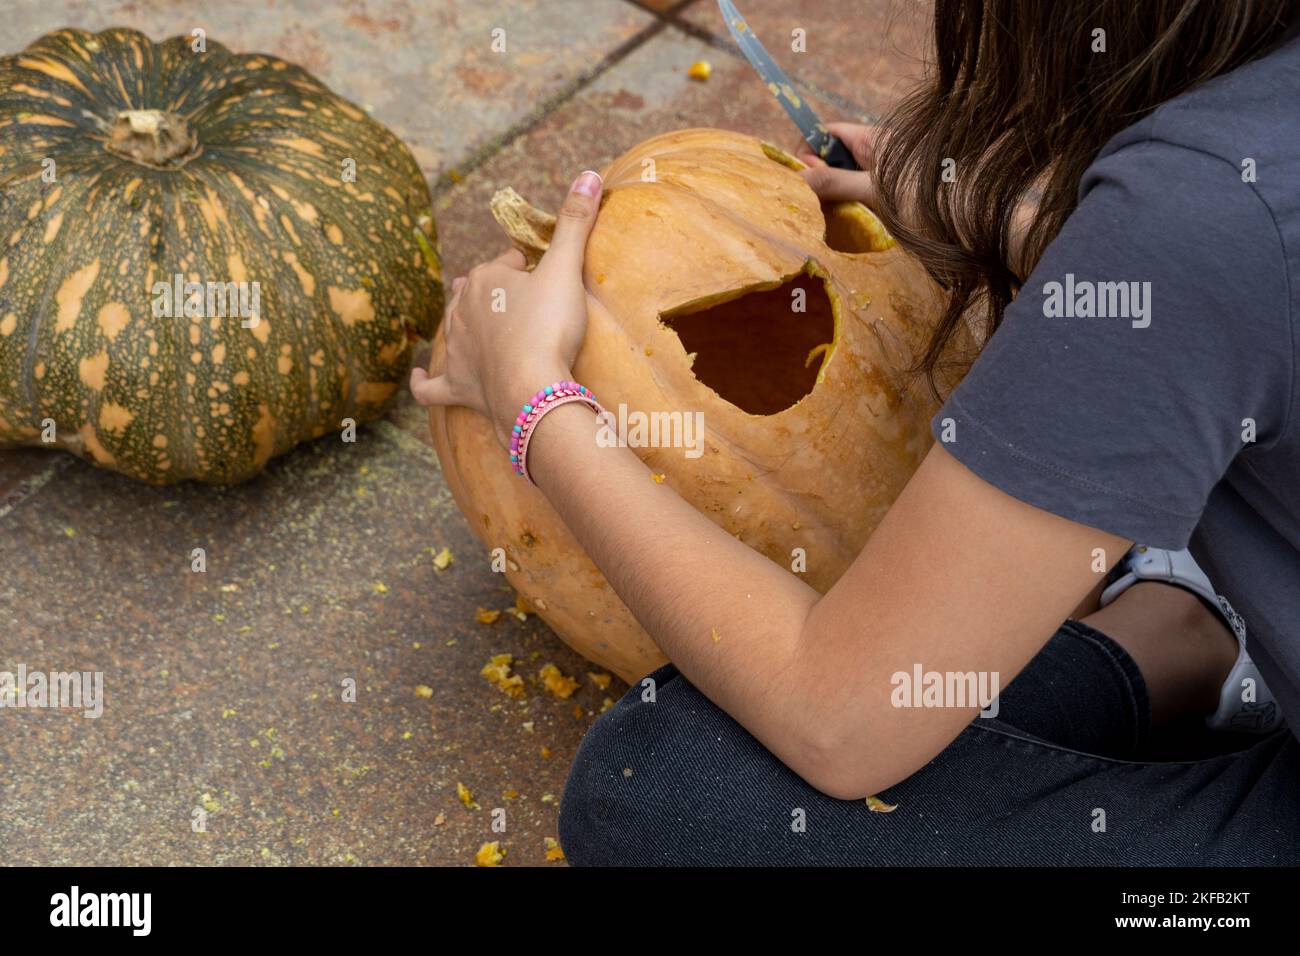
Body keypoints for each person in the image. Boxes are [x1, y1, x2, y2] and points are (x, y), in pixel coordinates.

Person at [411, 0, 1300, 865]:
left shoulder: (1191, 217)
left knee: (665, 790)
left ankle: (1177, 638)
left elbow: (837, 723)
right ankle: (1181, 632)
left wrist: (534, 399)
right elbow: (1235, 262)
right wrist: (1033, 225)